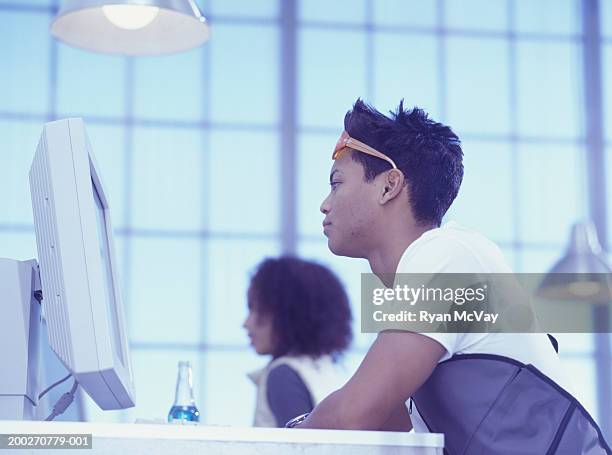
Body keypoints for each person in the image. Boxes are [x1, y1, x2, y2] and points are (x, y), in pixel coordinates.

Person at [293, 99, 611, 454]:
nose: (325, 203)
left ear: (389, 185)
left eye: (336, 183)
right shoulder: (436, 274)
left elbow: (353, 414)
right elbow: (386, 425)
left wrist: (288, 436)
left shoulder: (446, 255)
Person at [243, 256, 352, 428]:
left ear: (287, 315)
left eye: (256, 310)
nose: (246, 323)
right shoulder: (328, 370)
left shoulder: (283, 374)